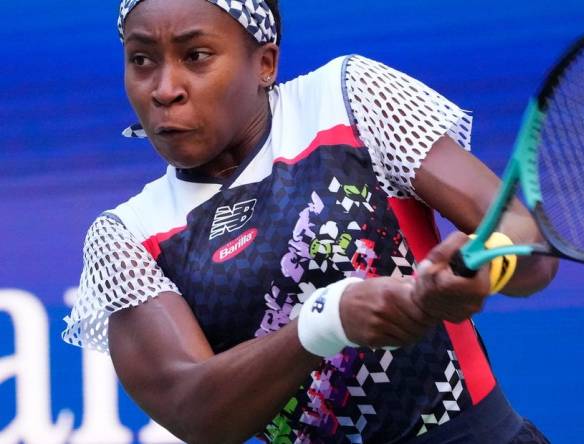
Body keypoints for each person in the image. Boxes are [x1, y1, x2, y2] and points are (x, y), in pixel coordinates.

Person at [63, 0, 558, 442]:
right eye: (142, 60)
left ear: (265, 63)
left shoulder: (349, 98)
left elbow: (525, 235)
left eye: (196, 56)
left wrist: (485, 265)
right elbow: (195, 412)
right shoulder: (127, 236)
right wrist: (328, 320)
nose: (165, 89)